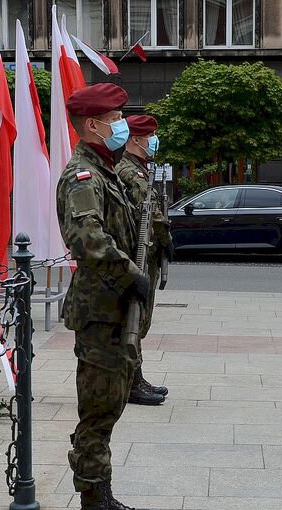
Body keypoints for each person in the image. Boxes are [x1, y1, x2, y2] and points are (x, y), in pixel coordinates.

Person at [55, 83, 153, 510]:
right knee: (96, 414)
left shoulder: (106, 171)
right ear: (92, 125)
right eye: (114, 118)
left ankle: (104, 495)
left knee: (109, 408)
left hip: (112, 310)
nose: (121, 125)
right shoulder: (84, 178)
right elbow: (88, 242)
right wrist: (131, 274)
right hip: (99, 311)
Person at [116, 115, 173, 406]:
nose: (153, 141)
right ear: (136, 139)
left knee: (141, 319)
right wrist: (165, 237)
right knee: (135, 318)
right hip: (137, 255)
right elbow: (146, 212)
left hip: (144, 254)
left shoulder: (140, 170)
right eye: (150, 136)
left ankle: (135, 376)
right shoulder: (129, 172)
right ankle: (130, 382)